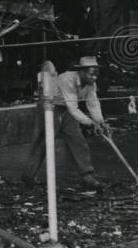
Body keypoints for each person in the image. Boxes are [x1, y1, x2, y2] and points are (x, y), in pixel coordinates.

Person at [24, 56, 111, 190]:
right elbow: (73, 108)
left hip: (66, 109)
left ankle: (87, 176)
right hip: (50, 107)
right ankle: (29, 176)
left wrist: (100, 122)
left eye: (96, 74)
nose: (94, 78)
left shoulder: (91, 84)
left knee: (78, 140)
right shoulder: (67, 79)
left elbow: (93, 104)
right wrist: (91, 123)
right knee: (44, 142)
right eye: (91, 74)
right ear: (81, 71)